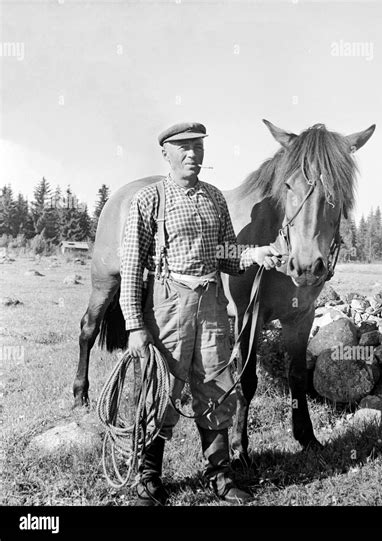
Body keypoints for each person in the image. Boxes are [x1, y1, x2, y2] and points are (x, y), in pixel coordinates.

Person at [119, 121, 281, 506]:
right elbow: (130, 266)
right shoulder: (150, 200)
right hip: (168, 303)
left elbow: (226, 254)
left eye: (199, 147)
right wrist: (134, 325)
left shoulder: (213, 198)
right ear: (167, 154)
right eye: (184, 148)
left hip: (211, 304)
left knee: (216, 385)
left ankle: (220, 475)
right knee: (162, 389)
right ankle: (148, 478)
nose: (193, 154)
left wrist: (254, 255)